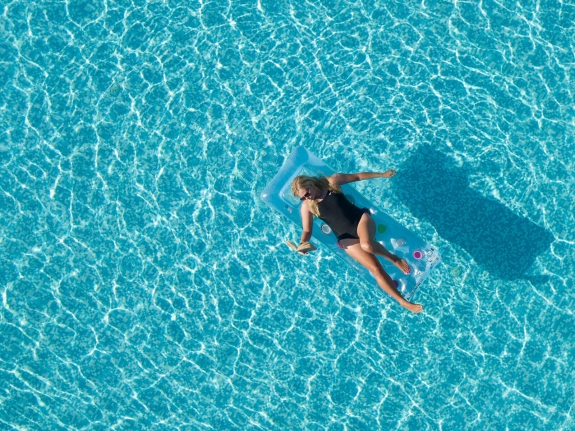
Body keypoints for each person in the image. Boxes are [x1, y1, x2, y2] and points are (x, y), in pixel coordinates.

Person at [291, 171, 423, 313]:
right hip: (345, 237)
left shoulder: (331, 182)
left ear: (310, 184)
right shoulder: (307, 206)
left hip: (360, 220)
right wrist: (303, 243)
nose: (306, 197)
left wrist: (381, 174)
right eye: (302, 197)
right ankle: (403, 302)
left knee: (367, 245)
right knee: (375, 270)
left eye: (307, 193)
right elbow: (307, 230)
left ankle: (394, 259)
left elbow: (357, 176)